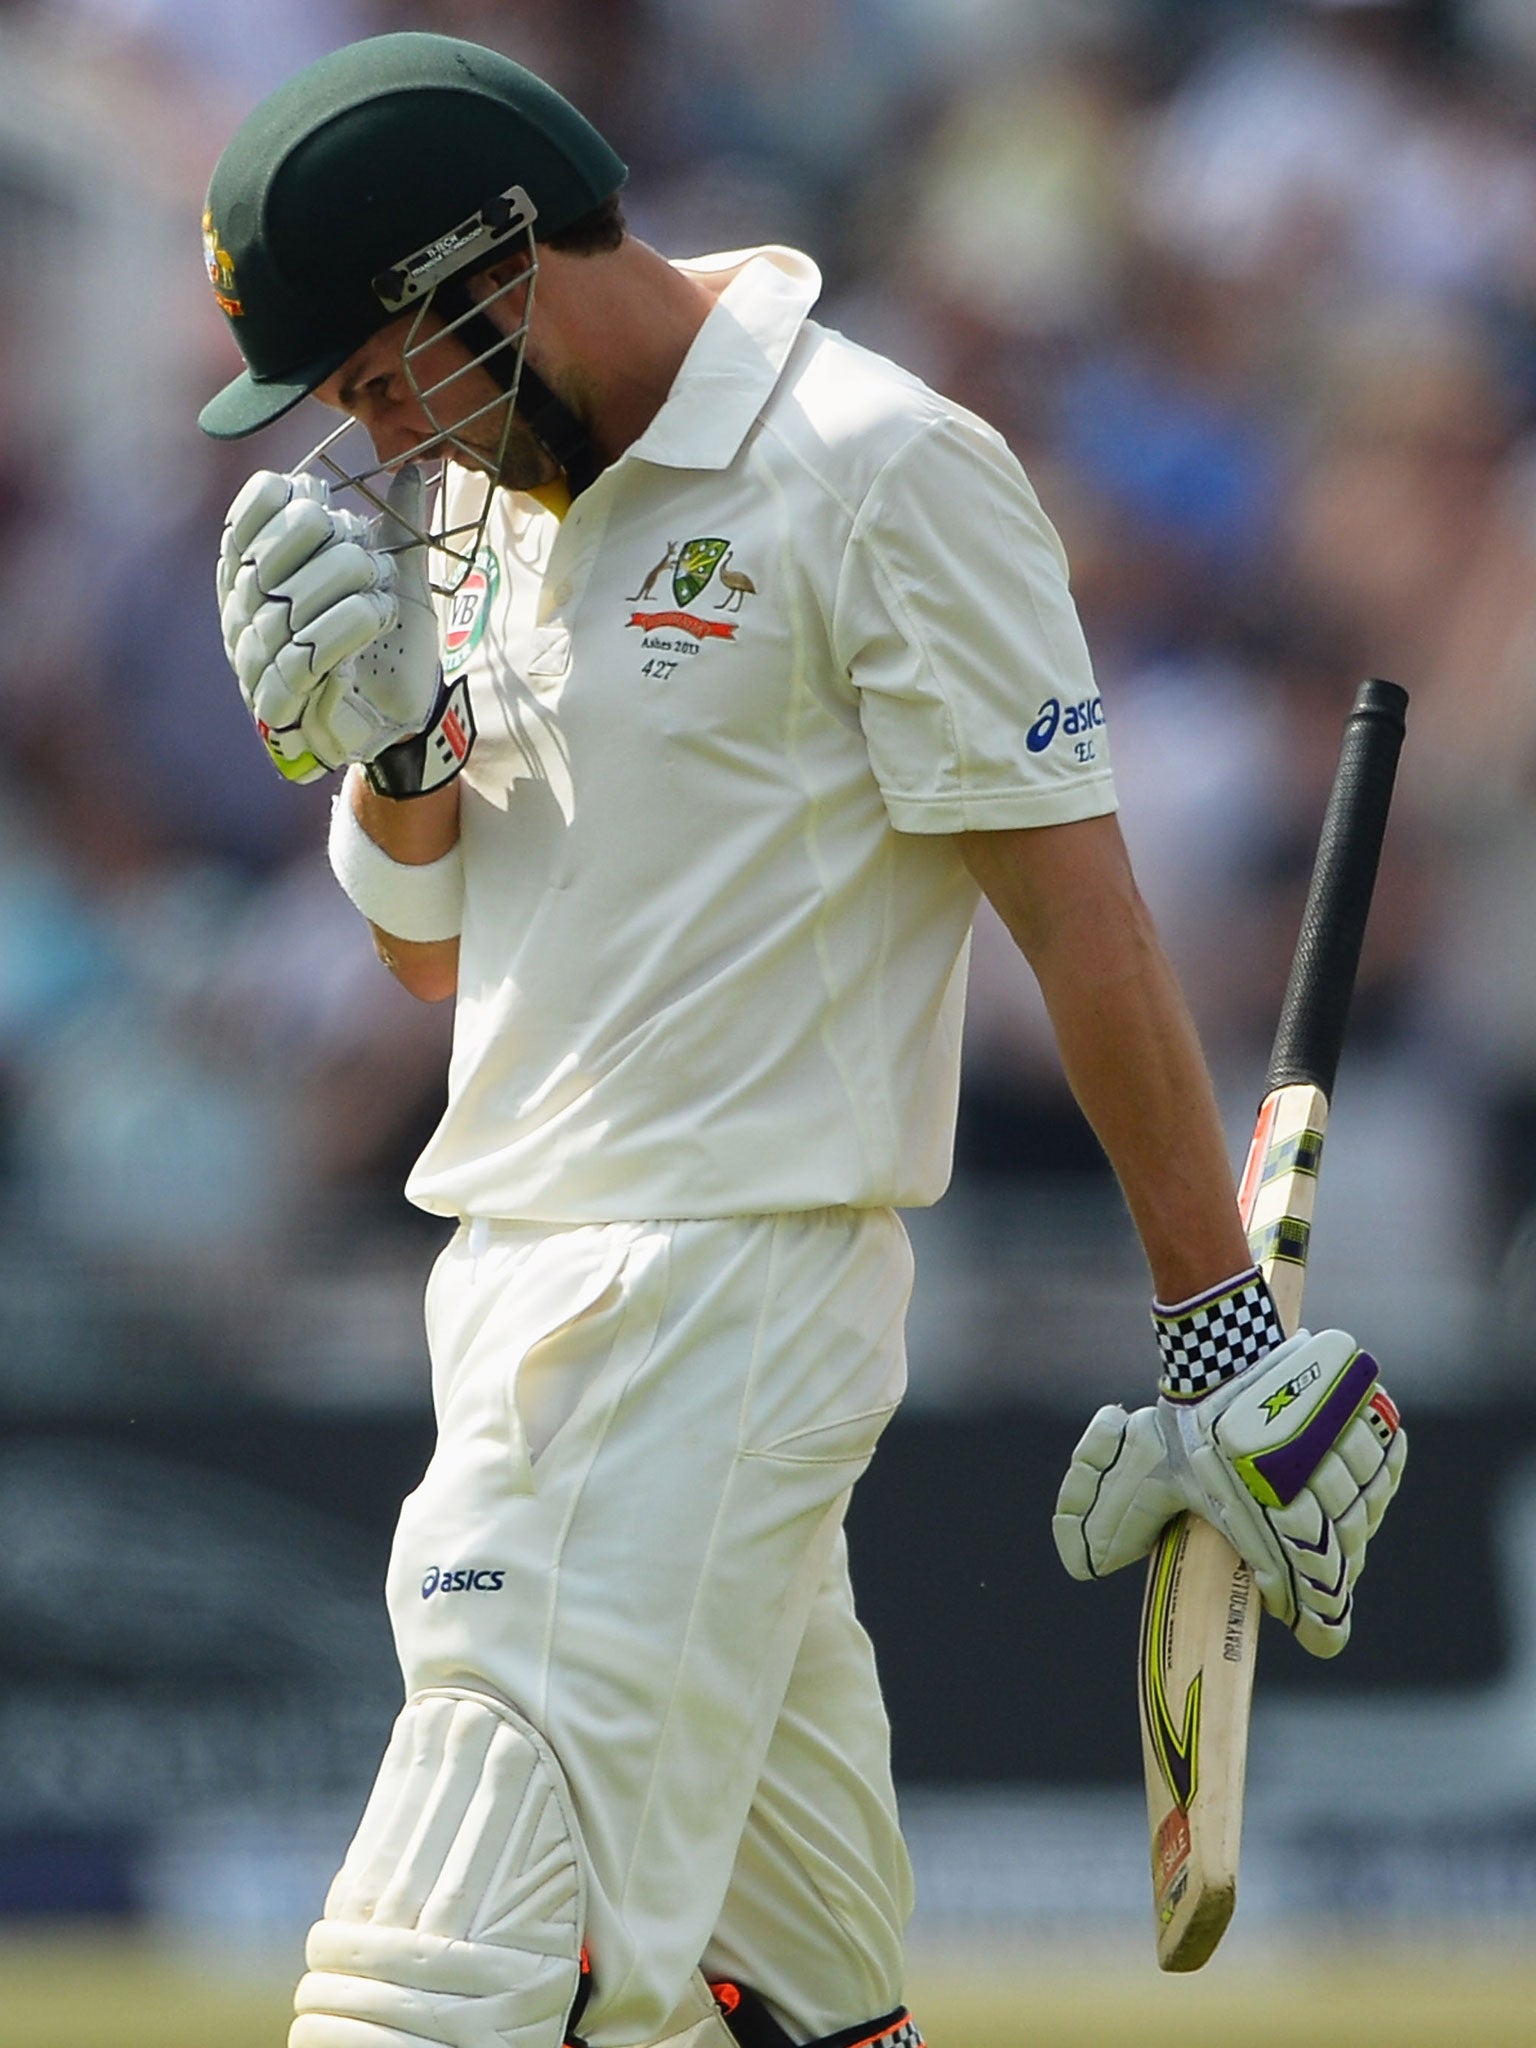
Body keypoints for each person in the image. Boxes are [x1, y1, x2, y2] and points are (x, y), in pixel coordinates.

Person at [199, 33, 1406, 2048]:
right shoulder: (488, 516)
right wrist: (396, 752)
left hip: (705, 1299)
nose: (376, 431)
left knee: (428, 1982)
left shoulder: (879, 464)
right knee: (797, 1993)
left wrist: (1216, 1322)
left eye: (378, 367)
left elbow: (1077, 916)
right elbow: (436, 959)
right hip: (515, 1284)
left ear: (498, 255)